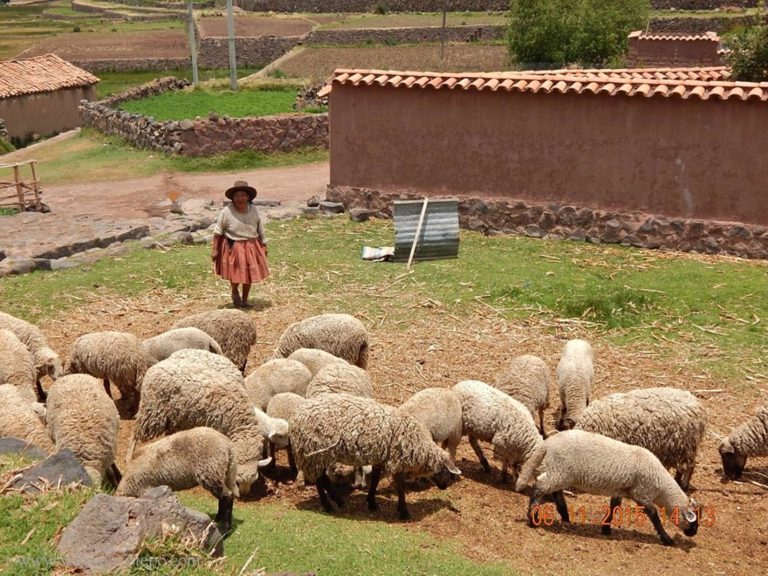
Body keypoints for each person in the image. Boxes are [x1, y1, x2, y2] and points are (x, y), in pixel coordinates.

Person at [211, 180, 269, 308]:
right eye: (237, 196)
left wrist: (264, 244)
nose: (240, 199)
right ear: (233, 198)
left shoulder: (253, 210)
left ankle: (245, 300)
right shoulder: (226, 211)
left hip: (251, 244)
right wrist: (215, 250)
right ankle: (234, 291)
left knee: (249, 275)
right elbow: (218, 231)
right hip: (234, 244)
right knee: (236, 273)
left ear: (248, 197)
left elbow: (260, 228)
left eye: (243, 195)